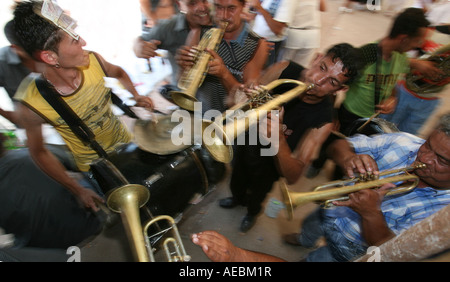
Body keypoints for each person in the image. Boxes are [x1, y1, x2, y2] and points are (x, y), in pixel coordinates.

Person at [192, 113, 450, 262]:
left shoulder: (443, 217)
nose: (424, 158)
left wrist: (371, 213)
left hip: (349, 250)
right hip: (333, 210)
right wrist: (349, 157)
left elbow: (389, 253)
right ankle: (305, 238)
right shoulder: (406, 143)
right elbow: (336, 147)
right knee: (313, 223)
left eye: (441, 160)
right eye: (428, 145)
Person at [12, 0, 154, 212]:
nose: (84, 42)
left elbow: (120, 73)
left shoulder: (94, 61)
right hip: (95, 169)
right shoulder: (31, 104)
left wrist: (136, 95)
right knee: (126, 213)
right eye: (74, 40)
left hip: (127, 144)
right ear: (50, 56)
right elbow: (39, 152)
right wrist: (77, 188)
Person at [219, 43, 363, 232]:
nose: (318, 80)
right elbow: (236, 101)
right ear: (317, 58)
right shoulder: (284, 69)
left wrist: (277, 138)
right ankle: (236, 199)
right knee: (237, 178)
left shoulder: (323, 121)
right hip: (247, 142)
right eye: (322, 67)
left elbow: (294, 176)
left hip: (270, 165)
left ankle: (252, 213)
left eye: (332, 82)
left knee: (258, 194)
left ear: (340, 89)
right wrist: (244, 95)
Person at [338, 7, 443, 135]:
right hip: (348, 117)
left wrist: (392, 98)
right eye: (417, 41)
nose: (418, 45)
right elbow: (333, 83)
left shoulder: (401, 57)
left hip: (372, 120)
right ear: (403, 39)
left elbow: (393, 84)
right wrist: (332, 118)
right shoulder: (364, 55)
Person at [176, 0, 269, 113]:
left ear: (244, 6)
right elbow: (180, 82)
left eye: (231, 8)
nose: (224, 16)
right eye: (219, 7)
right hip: (197, 113)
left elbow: (246, 100)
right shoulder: (199, 33)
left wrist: (223, 73)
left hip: (229, 120)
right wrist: (183, 66)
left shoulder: (258, 45)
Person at [133, 0, 213, 85]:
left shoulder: (222, 21)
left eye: (205, 1)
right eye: (192, 3)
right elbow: (140, 41)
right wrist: (139, 47)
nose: (202, 8)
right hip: (183, 91)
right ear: (180, 5)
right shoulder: (169, 27)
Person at [0, 20, 41, 125]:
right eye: (29, 48)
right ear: (14, 47)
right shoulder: (2, 62)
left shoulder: (50, 50)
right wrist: (8, 115)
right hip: (29, 122)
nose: (38, 51)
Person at [246, 0, 294, 67]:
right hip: (255, 39)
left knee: (259, 74)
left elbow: (277, 29)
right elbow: (252, 16)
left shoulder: (287, 2)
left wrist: (260, 9)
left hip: (269, 44)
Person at [280, 0, 326, 67]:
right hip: (312, 34)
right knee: (299, 69)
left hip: (294, 32)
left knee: (281, 66)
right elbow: (322, 8)